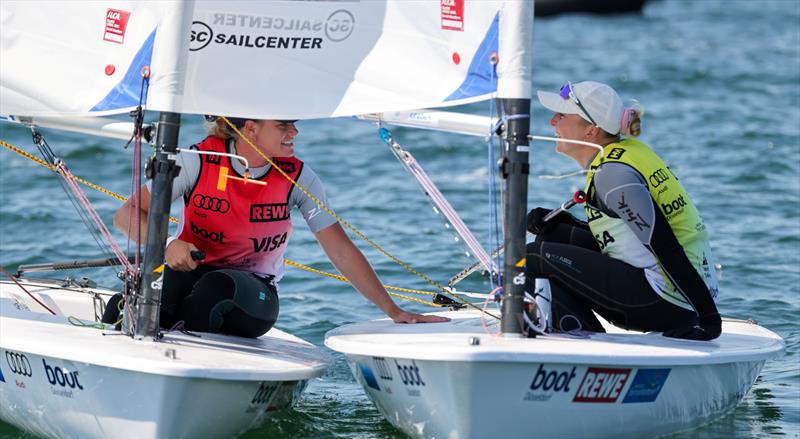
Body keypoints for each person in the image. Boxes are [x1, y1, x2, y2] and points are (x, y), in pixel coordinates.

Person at [114, 116, 447, 337]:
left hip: (254, 295)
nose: (295, 133)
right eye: (284, 125)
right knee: (129, 299)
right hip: (191, 275)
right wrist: (169, 244)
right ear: (250, 128)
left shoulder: (298, 177)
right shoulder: (197, 161)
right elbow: (127, 214)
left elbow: (340, 250)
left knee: (216, 288)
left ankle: (183, 361)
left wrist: (393, 310)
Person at [525, 81, 720, 340]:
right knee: (554, 235)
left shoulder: (612, 175)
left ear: (591, 131)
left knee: (528, 257)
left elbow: (662, 244)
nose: (552, 122)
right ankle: (574, 330)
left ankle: (584, 344)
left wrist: (709, 320)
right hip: (679, 294)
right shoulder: (620, 156)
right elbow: (629, 236)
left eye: (561, 115)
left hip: (670, 301)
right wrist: (568, 223)